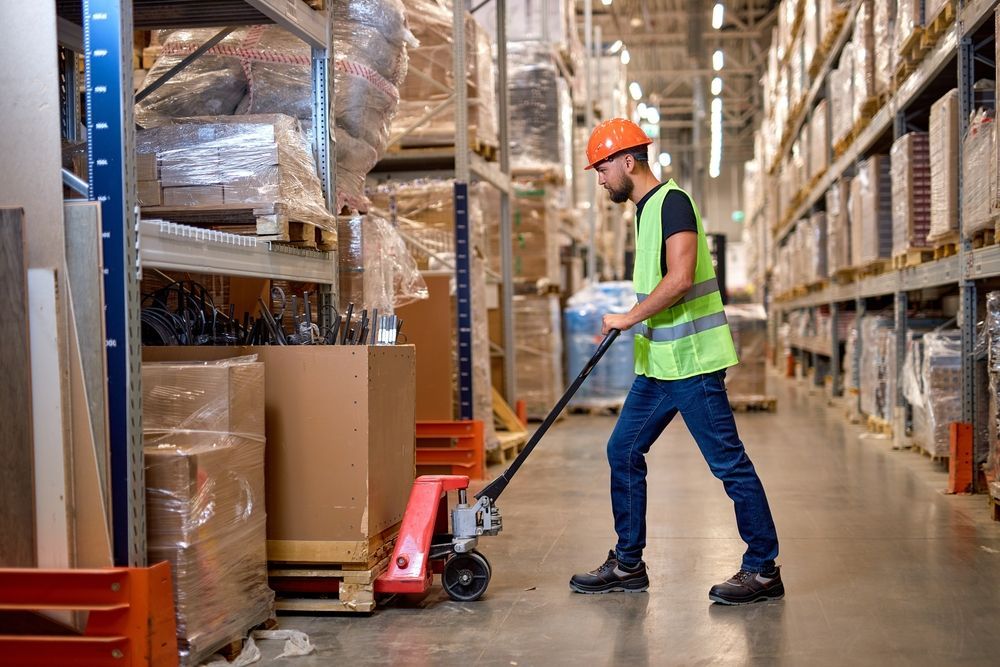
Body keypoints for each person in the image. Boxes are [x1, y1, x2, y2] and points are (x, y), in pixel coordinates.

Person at [568, 118, 782, 605]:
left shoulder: (673, 203)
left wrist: (627, 316)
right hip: (659, 366)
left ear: (628, 161)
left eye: (601, 169)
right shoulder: (643, 213)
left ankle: (763, 568)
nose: (599, 179)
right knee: (621, 451)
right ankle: (628, 564)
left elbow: (682, 278)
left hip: (692, 364)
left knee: (728, 464)